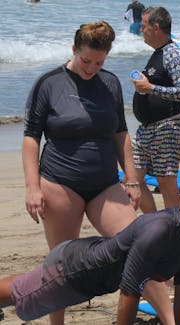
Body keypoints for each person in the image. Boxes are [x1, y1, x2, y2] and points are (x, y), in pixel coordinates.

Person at [22, 21, 143, 324]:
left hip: (105, 185)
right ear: (74, 49)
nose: (91, 67)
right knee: (60, 265)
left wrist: (131, 180)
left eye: (99, 62)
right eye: (86, 60)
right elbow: (31, 138)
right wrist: (32, 187)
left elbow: (120, 133)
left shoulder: (110, 83)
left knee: (139, 250)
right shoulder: (48, 84)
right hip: (60, 185)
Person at [0, 176, 180, 325]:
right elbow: (130, 291)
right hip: (75, 270)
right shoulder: (158, 231)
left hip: (92, 276)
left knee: (23, 289)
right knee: (22, 296)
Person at [131, 6, 180, 214]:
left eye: (144, 26)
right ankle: (155, 226)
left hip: (168, 126)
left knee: (166, 183)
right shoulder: (158, 54)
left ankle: (176, 233)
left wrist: (150, 88)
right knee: (133, 179)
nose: (141, 31)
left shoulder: (174, 53)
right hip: (147, 128)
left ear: (156, 27)